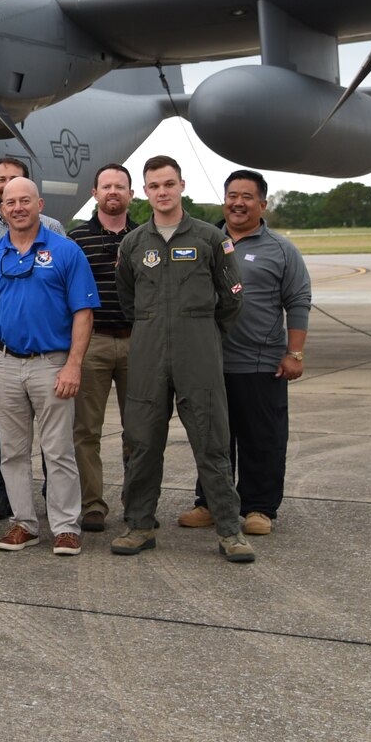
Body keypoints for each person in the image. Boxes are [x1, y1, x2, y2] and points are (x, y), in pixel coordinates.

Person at [112, 156, 255, 564]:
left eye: (169, 184)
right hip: (148, 356)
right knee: (141, 444)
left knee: (213, 444)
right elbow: (127, 302)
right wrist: (154, 328)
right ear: (144, 191)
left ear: (182, 186)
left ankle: (230, 531)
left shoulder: (211, 238)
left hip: (198, 357)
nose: (162, 192)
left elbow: (232, 299)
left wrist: (205, 335)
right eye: (154, 185)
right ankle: (139, 525)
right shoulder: (134, 243)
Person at [0, 177, 97, 556]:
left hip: (51, 364)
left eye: (25, 200)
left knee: (57, 451)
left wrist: (73, 365)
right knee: (13, 451)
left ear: (39, 204)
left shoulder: (66, 252)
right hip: (4, 364)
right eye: (10, 202)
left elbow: (83, 313)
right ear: (1, 208)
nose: (18, 207)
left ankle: (66, 527)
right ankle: (23, 524)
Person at [179, 169, 310, 538]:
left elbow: (298, 300)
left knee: (261, 438)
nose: (238, 202)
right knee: (212, 439)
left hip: (259, 363)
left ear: (262, 204)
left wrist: (294, 354)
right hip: (209, 361)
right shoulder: (205, 240)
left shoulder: (281, 250)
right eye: (232, 195)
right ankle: (210, 503)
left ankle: (259, 508)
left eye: (247, 197)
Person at [0, 154, 63, 520]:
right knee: (7, 435)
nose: (14, 200)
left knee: (55, 442)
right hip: (2, 351)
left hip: (47, 352)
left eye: (17, 184)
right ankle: (8, 499)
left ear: (35, 197)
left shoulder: (55, 232)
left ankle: (56, 506)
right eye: (2, 182)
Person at [67, 163, 136, 532]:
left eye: (120, 186)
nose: (113, 192)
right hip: (91, 344)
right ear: (94, 193)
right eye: (106, 186)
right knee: (86, 430)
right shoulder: (75, 240)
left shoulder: (146, 237)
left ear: (130, 194)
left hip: (137, 343)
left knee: (138, 429)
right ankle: (92, 504)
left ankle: (137, 502)